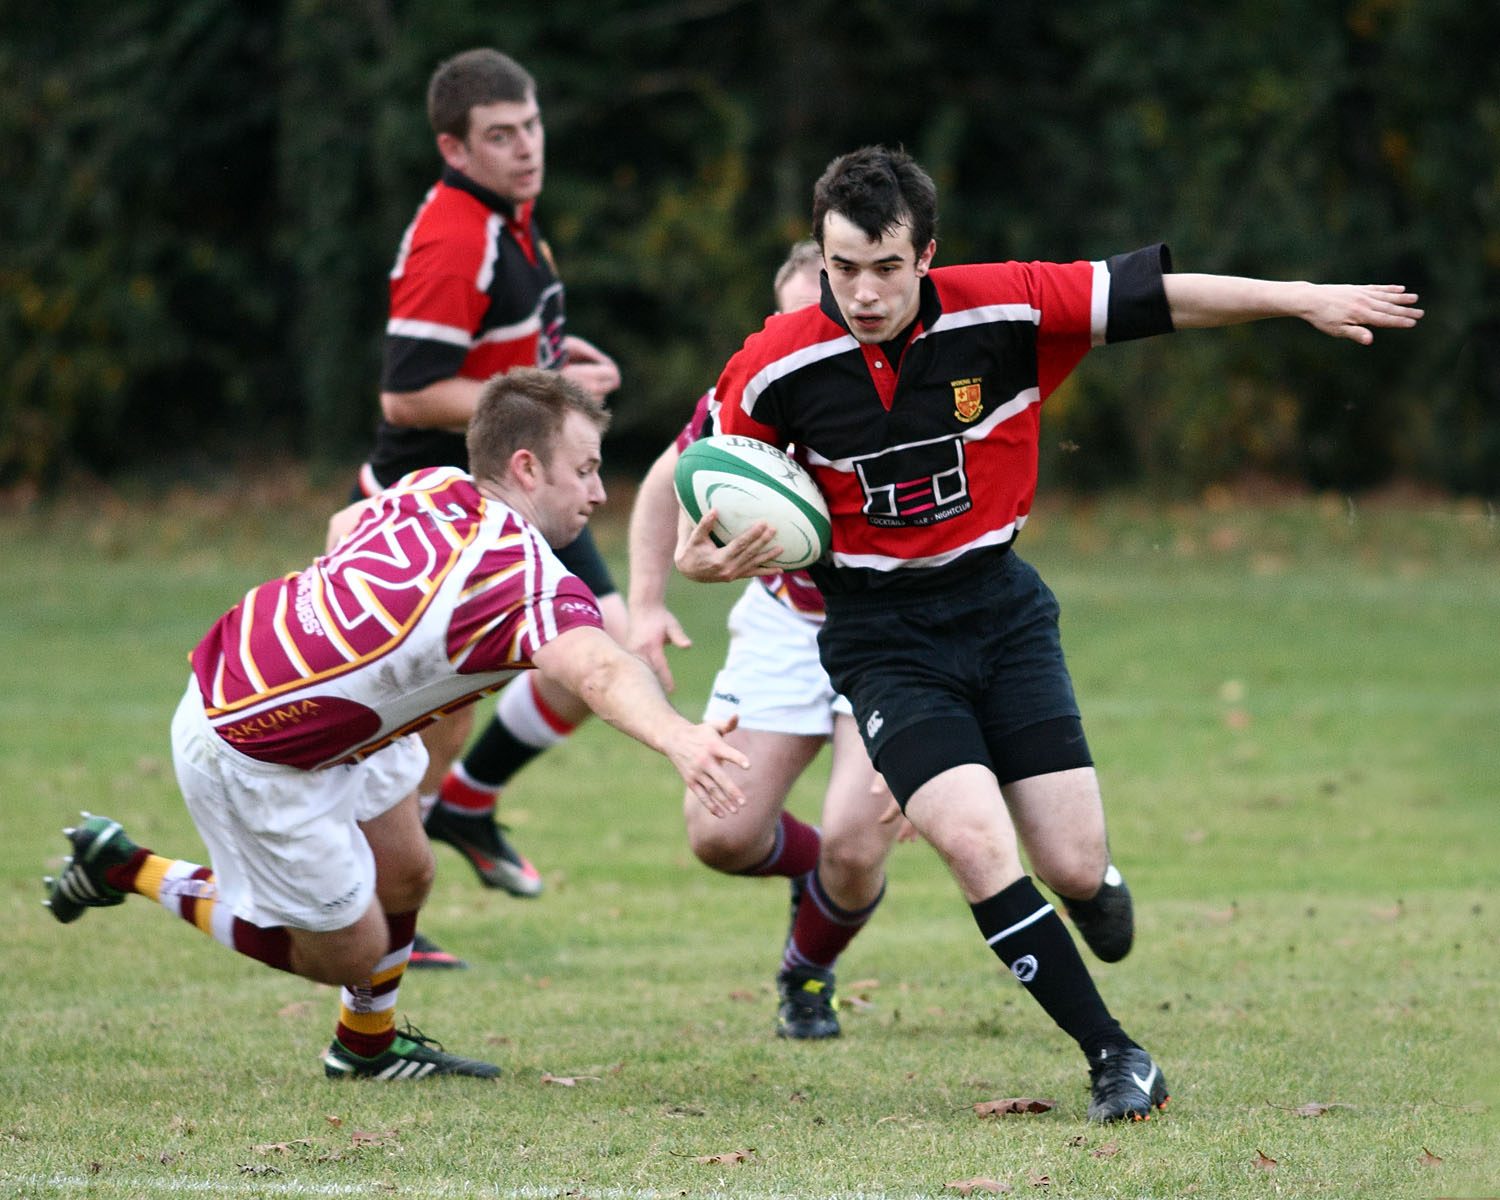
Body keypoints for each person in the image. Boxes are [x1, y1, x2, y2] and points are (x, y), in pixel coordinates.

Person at [695, 146, 1424, 1121]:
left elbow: (1159, 297)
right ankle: (1115, 1055)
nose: (863, 293)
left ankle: (1089, 886)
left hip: (1000, 612)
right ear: (820, 256)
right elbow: (728, 487)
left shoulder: (1005, 306)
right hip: (880, 638)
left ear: (927, 254)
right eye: (843, 268)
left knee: (1071, 863)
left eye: (886, 267)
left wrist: (1299, 299)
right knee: (973, 844)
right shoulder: (774, 364)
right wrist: (708, 558)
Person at [45, 369, 748, 1081]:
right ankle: (125, 867)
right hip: (256, 746)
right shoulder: (516, 580)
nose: (598, 493)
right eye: (586, 470)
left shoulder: (435, 485)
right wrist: (679, 737)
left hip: (295, 695)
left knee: (407, 872)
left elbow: (343, 526)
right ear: (527, 468)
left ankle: (365, 1048)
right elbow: (599, 669)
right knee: (350, 954)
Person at [349, 48, 624, 950]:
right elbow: (409, 393)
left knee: (605, 649)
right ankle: (382, 901)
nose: (526, 147)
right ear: (454, 149)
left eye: (531, 126)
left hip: (524, 484)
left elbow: (494, 345)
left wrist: (556, 369)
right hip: (441, 501)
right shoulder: (454, 236)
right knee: (429, 710)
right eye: (500, 136)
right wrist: (548, 399)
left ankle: (463, 808)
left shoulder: (513, 218)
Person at [627, 241, 915, 1041]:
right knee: (719, 833)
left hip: (893, 632)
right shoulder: (752, 389)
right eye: (790, 318)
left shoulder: (908, 390)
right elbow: (668, 476)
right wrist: (646, 602)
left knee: (859, 845)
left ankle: (807, 971)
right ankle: (823, 878)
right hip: (785, 621)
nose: (805, 335)